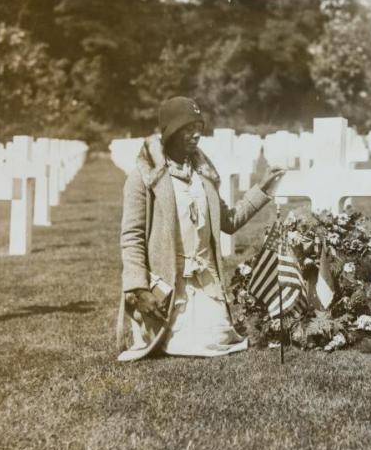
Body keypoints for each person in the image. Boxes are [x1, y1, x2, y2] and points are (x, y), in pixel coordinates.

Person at [116, 96, 284, 361]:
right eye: (187, 128)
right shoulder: (143, 177)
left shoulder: (204, 176)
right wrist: (139, 289)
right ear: (170, 131)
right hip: (167, 288)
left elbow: (228, 221)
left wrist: (262, 188)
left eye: (198, 127)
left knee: (216, 339)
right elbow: (132, 237)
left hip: (205, 282)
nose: (195, 135)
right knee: (189, 344)